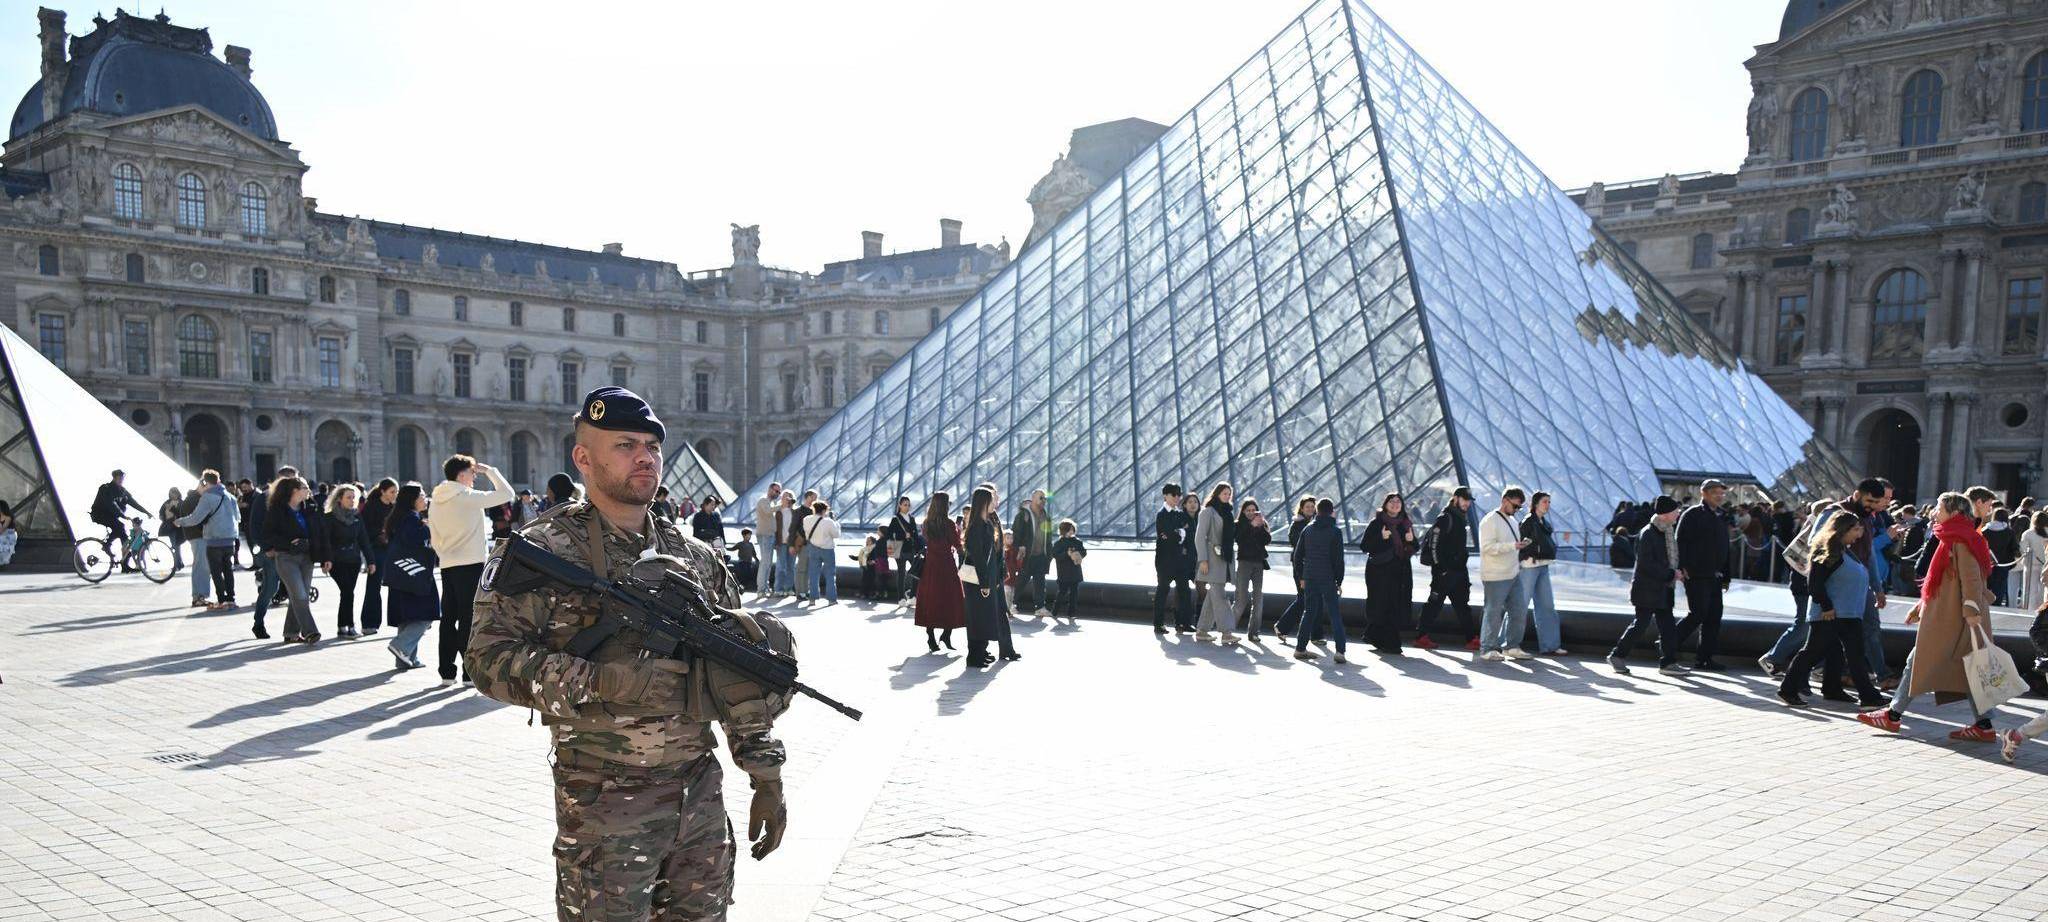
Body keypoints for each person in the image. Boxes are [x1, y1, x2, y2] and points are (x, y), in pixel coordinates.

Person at [467, 385, 789, 920]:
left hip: (699, 799)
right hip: (603, 805)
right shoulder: (543, 550)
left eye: (652, 446)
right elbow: (486, 660)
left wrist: (766, 776)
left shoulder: (695, 558)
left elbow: (737, 676)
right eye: (625, 445)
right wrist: (605, 682)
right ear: (584, 458)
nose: (645, 457)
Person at [1861, 491, 2003, 741]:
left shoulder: (1960, 539)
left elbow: (1971, 578)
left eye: (1939, 507)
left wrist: (1971, 610)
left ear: (1954, 512)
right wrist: (1920, 607)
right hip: (1949, 616)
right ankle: (1984, 725)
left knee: (1918, 662)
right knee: (1967, 668)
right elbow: (1939, 582)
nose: (1935, 511)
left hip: (1955, 619)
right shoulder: (1953, 536)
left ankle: (1892, 715)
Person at [1777, 511, 1887, 707]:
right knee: (1812, 652)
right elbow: (1815, 583)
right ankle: (1788, 689)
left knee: (1849, 654)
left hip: (1849, 614)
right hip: (1830, 614)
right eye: (1855, 528)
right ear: (1842, 530)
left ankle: (1840, 690)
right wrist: (1826, 606)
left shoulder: (1846, 550)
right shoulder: (1827, 552)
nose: (1860, 532)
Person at [428, 453, 516, 687]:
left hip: (447, 563)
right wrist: (491, 471)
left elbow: (434, 535)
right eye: (472, 473)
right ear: (461, 475)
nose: (475, 477)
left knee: (448, 617)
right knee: (469, 617)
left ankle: (446, 672)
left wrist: (443, 553)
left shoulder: (436, 499)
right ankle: (468, 673)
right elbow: (507, 494)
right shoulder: (466, 497)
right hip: (471, 563)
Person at [1607, 496, 1681, 674]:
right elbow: (1646, 564)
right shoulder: (1649, 533)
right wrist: (1671, 573)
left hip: (1662, 588)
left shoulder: (1666, 531)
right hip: (1647, 589)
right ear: (1664, 515)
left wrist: (1675, 572)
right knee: (1641, 625)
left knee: (1668, 627)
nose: (1678, 514)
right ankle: (1617, 655)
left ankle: (1668, 663)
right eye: (1675, 512)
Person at [1668, 479, 1733, 671]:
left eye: (1722, 493)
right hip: (1696, 574)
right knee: (1698, 614)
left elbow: (1725, 549)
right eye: (1715, 493)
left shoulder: (1720, 516)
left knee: (1714, 616)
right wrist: (1683, 567)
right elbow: (1681, 541)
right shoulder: (1692, 514)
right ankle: (1667, 644)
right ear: (1703, 493)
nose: (1720, 496)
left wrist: (1727, 576)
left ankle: (1704, 658)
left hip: (1715, 575)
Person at [381, 483, 436, 670]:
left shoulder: (400, 517)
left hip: (402, 574)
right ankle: (400, 646)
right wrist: (429, 528)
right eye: (421, 495)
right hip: (415, 572)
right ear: (412, 499)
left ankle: (406, 658)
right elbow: (412, 539)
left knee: (408, 617)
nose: (425, 498)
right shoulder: (411, 518)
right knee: (426, 614)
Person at [964, 484, 1019, 666]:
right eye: (991, 500)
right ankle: (974, 656)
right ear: (982, 503)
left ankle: (979, 653)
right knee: (978, 617)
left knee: (983, 616)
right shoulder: (978, 527)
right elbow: (980, 558)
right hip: (979, 580)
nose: (994, 504)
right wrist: (985, 582)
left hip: (984, 578)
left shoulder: (985, 524)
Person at [260, 476, 320, 643]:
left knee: (301, 595)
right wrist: (287, 543)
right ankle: (310, 631)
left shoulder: (309, 508)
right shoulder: (277, 510)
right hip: (286, 556)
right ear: (295, 491)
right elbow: (267, 534)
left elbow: (318, 531)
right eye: (305, 488)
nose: (308, 491)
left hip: (307, 557)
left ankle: (291, 633)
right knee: (299, 594)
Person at [1415, 487, 1477, 651]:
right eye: (1464, 499)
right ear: (1455, 498)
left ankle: (1471, 638)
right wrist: (1441, 568)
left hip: (1458, 571)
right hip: (1445, 572)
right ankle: (1421, 636)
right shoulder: (1445, 518)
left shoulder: (1459, 518)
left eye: (1469, 500)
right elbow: (1434, 545)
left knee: (1462, 606)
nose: (1467, 503)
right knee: (1434, 604)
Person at [1477, 487, 1532, 661]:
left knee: (1519, 610)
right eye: (1515, 506)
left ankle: (1512, 646)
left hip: (1512, 573)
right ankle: (1487, 648)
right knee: (1493, 612)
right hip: (1495, 574)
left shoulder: (1513, 521)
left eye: (1519, 508)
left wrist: (1518, 547)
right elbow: (1486, 548)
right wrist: (1513, 546)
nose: (1516, 510)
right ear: (1505, 500)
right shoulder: (1490, 521)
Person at [1358, 491, 1416, 655]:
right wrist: (1381, 538)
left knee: (1394, 606)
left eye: (1398, 501)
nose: (1395, 504)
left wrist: (1411, 541)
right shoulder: (1376, 523)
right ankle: (1391, 644)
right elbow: (1365, 546)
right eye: (1392, 501)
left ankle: (1375, 636)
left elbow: (1413, 548)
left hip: (1400, 573)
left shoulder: (1405, 524)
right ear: (1385, 504)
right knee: (1385, 605)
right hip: (1380, 573)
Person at [318, 484, 377, 638]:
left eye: (354, 498)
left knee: (347, 593)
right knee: (347, 592)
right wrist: (327, 560)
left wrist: (371, 561)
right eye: (348, 497)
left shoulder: (357, 517)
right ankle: (349, 625)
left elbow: (364, 540)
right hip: (336, 561)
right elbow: (326, 541)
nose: (352, 501)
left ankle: (341, 626)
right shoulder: (329, 517)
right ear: (339, 499)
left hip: (353, 561)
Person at [1293, 498, 1347, 665]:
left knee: (1309, 612)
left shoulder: (1307, 529)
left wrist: (1301, 576)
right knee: (1335, 614)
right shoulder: (1335, 532)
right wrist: (1339, 580)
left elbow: (1297, 556)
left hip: (1310, 577)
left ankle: (1300, 648)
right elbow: (1338, 560)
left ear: (1316, 510)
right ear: (1332, 511)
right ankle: (1339, 651)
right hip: (1328, 578)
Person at [176, 470, 239, 610]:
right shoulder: (230, 496)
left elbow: (196, 518)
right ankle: (231, 599)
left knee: (216, 571)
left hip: (214, 539)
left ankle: (222, 600)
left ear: (205, 482)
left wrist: (180, 521)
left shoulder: (208, 497)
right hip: (229, 540)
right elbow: (237, 518)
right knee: (228, 570)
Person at [916, 491, 965, 653]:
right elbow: (957, 544)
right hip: (946, 565)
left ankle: (931, 636)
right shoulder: (949, 524)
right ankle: (946, 633)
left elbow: (926, 538)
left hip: (930, 566)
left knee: (931, 599)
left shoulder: (927, 523)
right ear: (945, 505)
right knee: (952, 599)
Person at [1274, 496, 1324, 646]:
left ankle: (1315, 634)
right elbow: (1298, 545)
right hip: (1301, 567)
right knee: (1304, 598)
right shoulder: (1297, 525)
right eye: (1307, 506)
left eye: (1312, 506)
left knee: (1316, 599)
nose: (1310, 509)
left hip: (1315, 566)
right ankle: (1282, 627)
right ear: (1301, 508)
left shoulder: (1317, 523)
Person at [1519, 492, 1564, 655]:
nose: (1548, 505)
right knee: (1520, 606)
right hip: (1530, 567)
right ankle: (1508, 643)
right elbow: (1522, 543)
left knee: (1547, 606)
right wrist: (1526, 558)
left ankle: (1550, 645)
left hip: (1543, 566)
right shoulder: (1528, 522)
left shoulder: (1543, 522)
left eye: (1549, 502)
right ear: (1536, 503)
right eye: (1545, 502)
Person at [1193, 482, 1238, 644]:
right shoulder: (1207, 512)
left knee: (1213, 598)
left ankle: (1202, 630)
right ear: (1217, 493)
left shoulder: (1228, 512)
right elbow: (1199, 537)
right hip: (1212, 560)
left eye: (1229, 494)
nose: (1227, 496)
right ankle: (1226, 633)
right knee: (1220, 596)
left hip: (1224, 559)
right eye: (1224, 493)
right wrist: (1203, 560)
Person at [1152, 483, 1195, 635]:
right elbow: (1166, 535)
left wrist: (1177, 533)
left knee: (1184, 591)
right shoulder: (1161, 514)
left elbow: (1184, 532)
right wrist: (1179, 533)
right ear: (1165, 495)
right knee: (1162, 591)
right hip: (1165, 561)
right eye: (1174, 494)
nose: (1177, 497)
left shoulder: (1179, 513)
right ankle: (1158, 624)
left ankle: (1183, 623)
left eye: (1179, 494)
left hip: (1179, 560)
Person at [359, 478, 397, 635]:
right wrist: (380, 535)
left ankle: (400, 620)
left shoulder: (395, 507)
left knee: (397, 585)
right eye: (392, 492)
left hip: (394, 550)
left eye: (396, 492)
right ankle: (369, 623)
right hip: (376, 550)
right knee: (374, 586)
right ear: (383, 492)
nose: (395, 495)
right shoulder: (371, 507)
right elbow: (364, 531)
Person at [91, 470, 148, 571]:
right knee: (120, 527)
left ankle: (124, 566)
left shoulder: (123, 491)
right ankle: (106, 545)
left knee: (125, 538)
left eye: (122, 478)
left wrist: (146, 512)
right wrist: (123, 515)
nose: (121, 480)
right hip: (99, 514)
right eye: (119, 478)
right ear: (114, 478)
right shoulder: (105, 488)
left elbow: (134, 503)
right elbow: (111, 504)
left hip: (112, 517)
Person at [1010, 490, 1053, 615]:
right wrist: (1019, 548)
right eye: (1041, 498)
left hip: (1041, 555)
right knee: (1021, 581)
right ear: (1033, 498)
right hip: (1027, 555)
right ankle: (1011, 603)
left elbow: (1048, 536)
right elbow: (1016, 533)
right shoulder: (1023, 515)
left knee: (1040, 582)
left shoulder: (1046, 516)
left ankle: (1040, 607)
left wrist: (1048, 555)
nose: (1043, 500)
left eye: (1045, 498)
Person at [1234, 500, 1270, 641]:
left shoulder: (1261, 524)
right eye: (1248, 510)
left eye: (1253, 510)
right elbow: (1239, 539)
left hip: (1258, 563)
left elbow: (1267, 540)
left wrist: (1261, 527)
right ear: (1243, 511)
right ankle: (1228, 628)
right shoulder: (1238, 525)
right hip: (1244, 563)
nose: (1250, 513)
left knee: (1258, 599)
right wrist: (1251, 526)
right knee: (1241, 598)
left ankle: (1254, 632)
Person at [800, 499, 841, 604]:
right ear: (824, 510)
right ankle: (831, 599)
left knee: (813, 574)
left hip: (813, 548)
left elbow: (806, 534)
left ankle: (812, 599)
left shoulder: (806, 519)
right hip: (827, 549)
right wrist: (836, 523)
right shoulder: (828, 522)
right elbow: (836, 535)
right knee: (830, 574)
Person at [886, 496, 922, 601]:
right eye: (905, 505)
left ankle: (913, 595)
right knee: (901, 574)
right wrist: (902, 536)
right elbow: (889, 535)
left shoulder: (912, 518)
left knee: (916, 572)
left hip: (911, 549)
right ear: (900, 506)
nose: (907, 507)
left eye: (908, 505)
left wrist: (913, 537)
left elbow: (915, 534)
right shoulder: (895, 519)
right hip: (900, 549)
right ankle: (901, 598)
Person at [1051, 518, 1086, 623]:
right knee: (1062, 593)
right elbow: (1055, 555)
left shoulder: (1077, 542)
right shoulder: (1059, 543)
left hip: (1075, 572)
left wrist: (1078, 555)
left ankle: (1071, 613)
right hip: (1064, 572)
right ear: (1063, 531)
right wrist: (1067, 554)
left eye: (1072, 530)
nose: (1071, 532)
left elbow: (1084, 552)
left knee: (1074, 594)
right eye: (1069, 530)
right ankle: (1054, 611)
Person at [1983, 507, 2019, 606]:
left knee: (1988, 582)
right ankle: (1997, 602)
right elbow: (2014, 547)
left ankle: (1987, 601)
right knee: (2000, 584)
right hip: (2004, 562)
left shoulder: (1985, 530)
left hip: (1988, 561)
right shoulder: (2008, 531)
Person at [754, 483, 784, 594]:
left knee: (768, 563)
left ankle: (765, 587)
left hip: (770, 535)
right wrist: (782, 505)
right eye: (776, 491)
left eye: (779, 492)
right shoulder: (763, 500)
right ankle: (761, 589)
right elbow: (767, 511)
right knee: (765, 562)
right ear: (770, 489)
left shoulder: (771, 502)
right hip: (765, 535)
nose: (777, 494)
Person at [790, 489, 819, 600]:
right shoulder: (798, 511)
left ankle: (805, 591)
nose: (816, 500)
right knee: (801, 568)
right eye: (814, 497)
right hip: (803, 544)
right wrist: (792, 545)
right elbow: (792, 529)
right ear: (808, 497)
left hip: (813, 544)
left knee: (808, 569)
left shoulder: (815, 511)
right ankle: (799, 592)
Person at [2019, 511, 2048, 611]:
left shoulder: (2028, 534)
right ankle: (2042, 609)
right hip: (2045, 565)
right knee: (2043, 590)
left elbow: (2023, 550)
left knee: (2030, 589)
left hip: (2031, 565)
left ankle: (2030, 609)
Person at [773, 491, 799, 598]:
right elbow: (774, 529)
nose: (787, 498)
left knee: (791, 567)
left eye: (789, 497)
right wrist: (775, 542)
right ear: (781, 499)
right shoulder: (778, 512)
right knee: (781, 567)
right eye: (784, 496)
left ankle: (788, 588)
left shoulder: (795, 512)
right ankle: (778, 589)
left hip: (792, 543)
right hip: (781, 543)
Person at [158, 487, 187, 572]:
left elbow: (181, 514)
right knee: (175, 545)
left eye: (174, 493)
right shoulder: (166, 502)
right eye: (171, 493)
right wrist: (164, 519)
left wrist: (172, 510)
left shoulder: (181, 503)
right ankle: (178, 563)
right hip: (169, 526)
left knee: (176, 545)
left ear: (178, 493)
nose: (172, 495)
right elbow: (161, 513)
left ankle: (178, 564)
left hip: (177, 527)